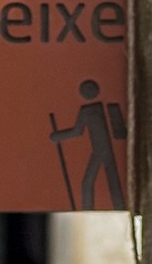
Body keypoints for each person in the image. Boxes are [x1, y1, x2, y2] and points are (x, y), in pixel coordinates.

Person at [50, 79, 126, 210]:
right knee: (103, 181)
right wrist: (57, 136)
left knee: (91, 182)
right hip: (100, 151)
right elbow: (78, 131)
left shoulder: (95, 110)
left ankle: (96, 208)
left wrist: (57, 136)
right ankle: (96, 208)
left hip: (102, 151)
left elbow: (77, 132)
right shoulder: (90, 110)